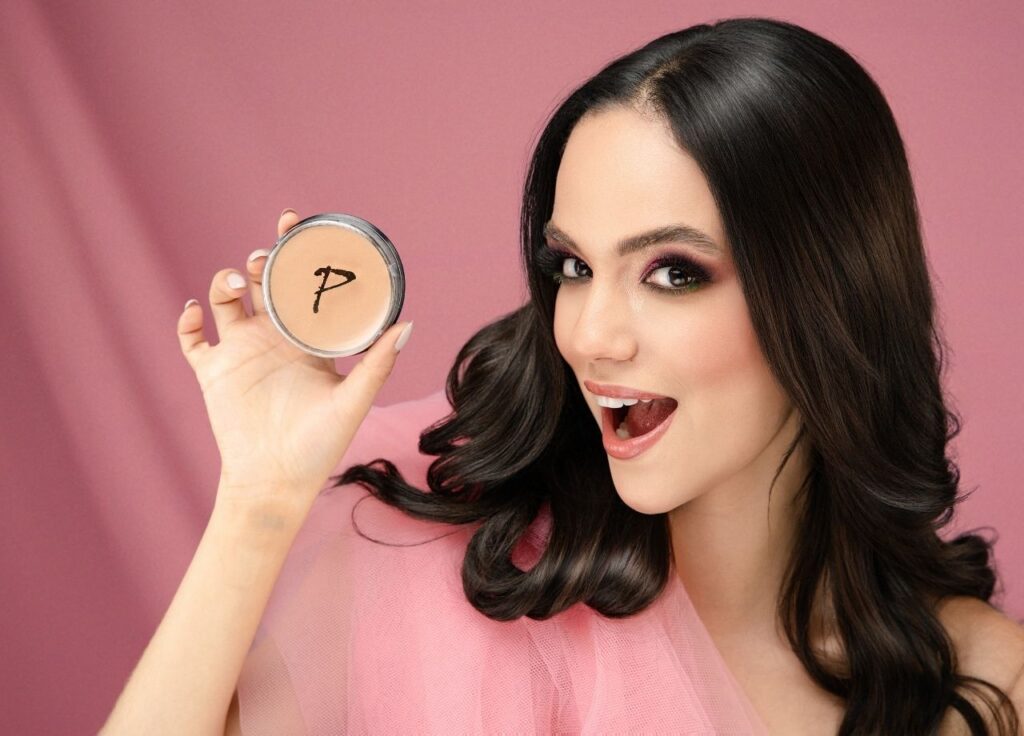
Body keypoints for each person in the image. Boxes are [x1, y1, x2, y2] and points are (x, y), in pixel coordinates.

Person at [101, 16, 1024, 736]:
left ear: (828, 295)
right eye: (573, 266)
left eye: (673, 273)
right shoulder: (441, 573)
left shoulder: (985, 684)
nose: (590, 336)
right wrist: (259, 501)